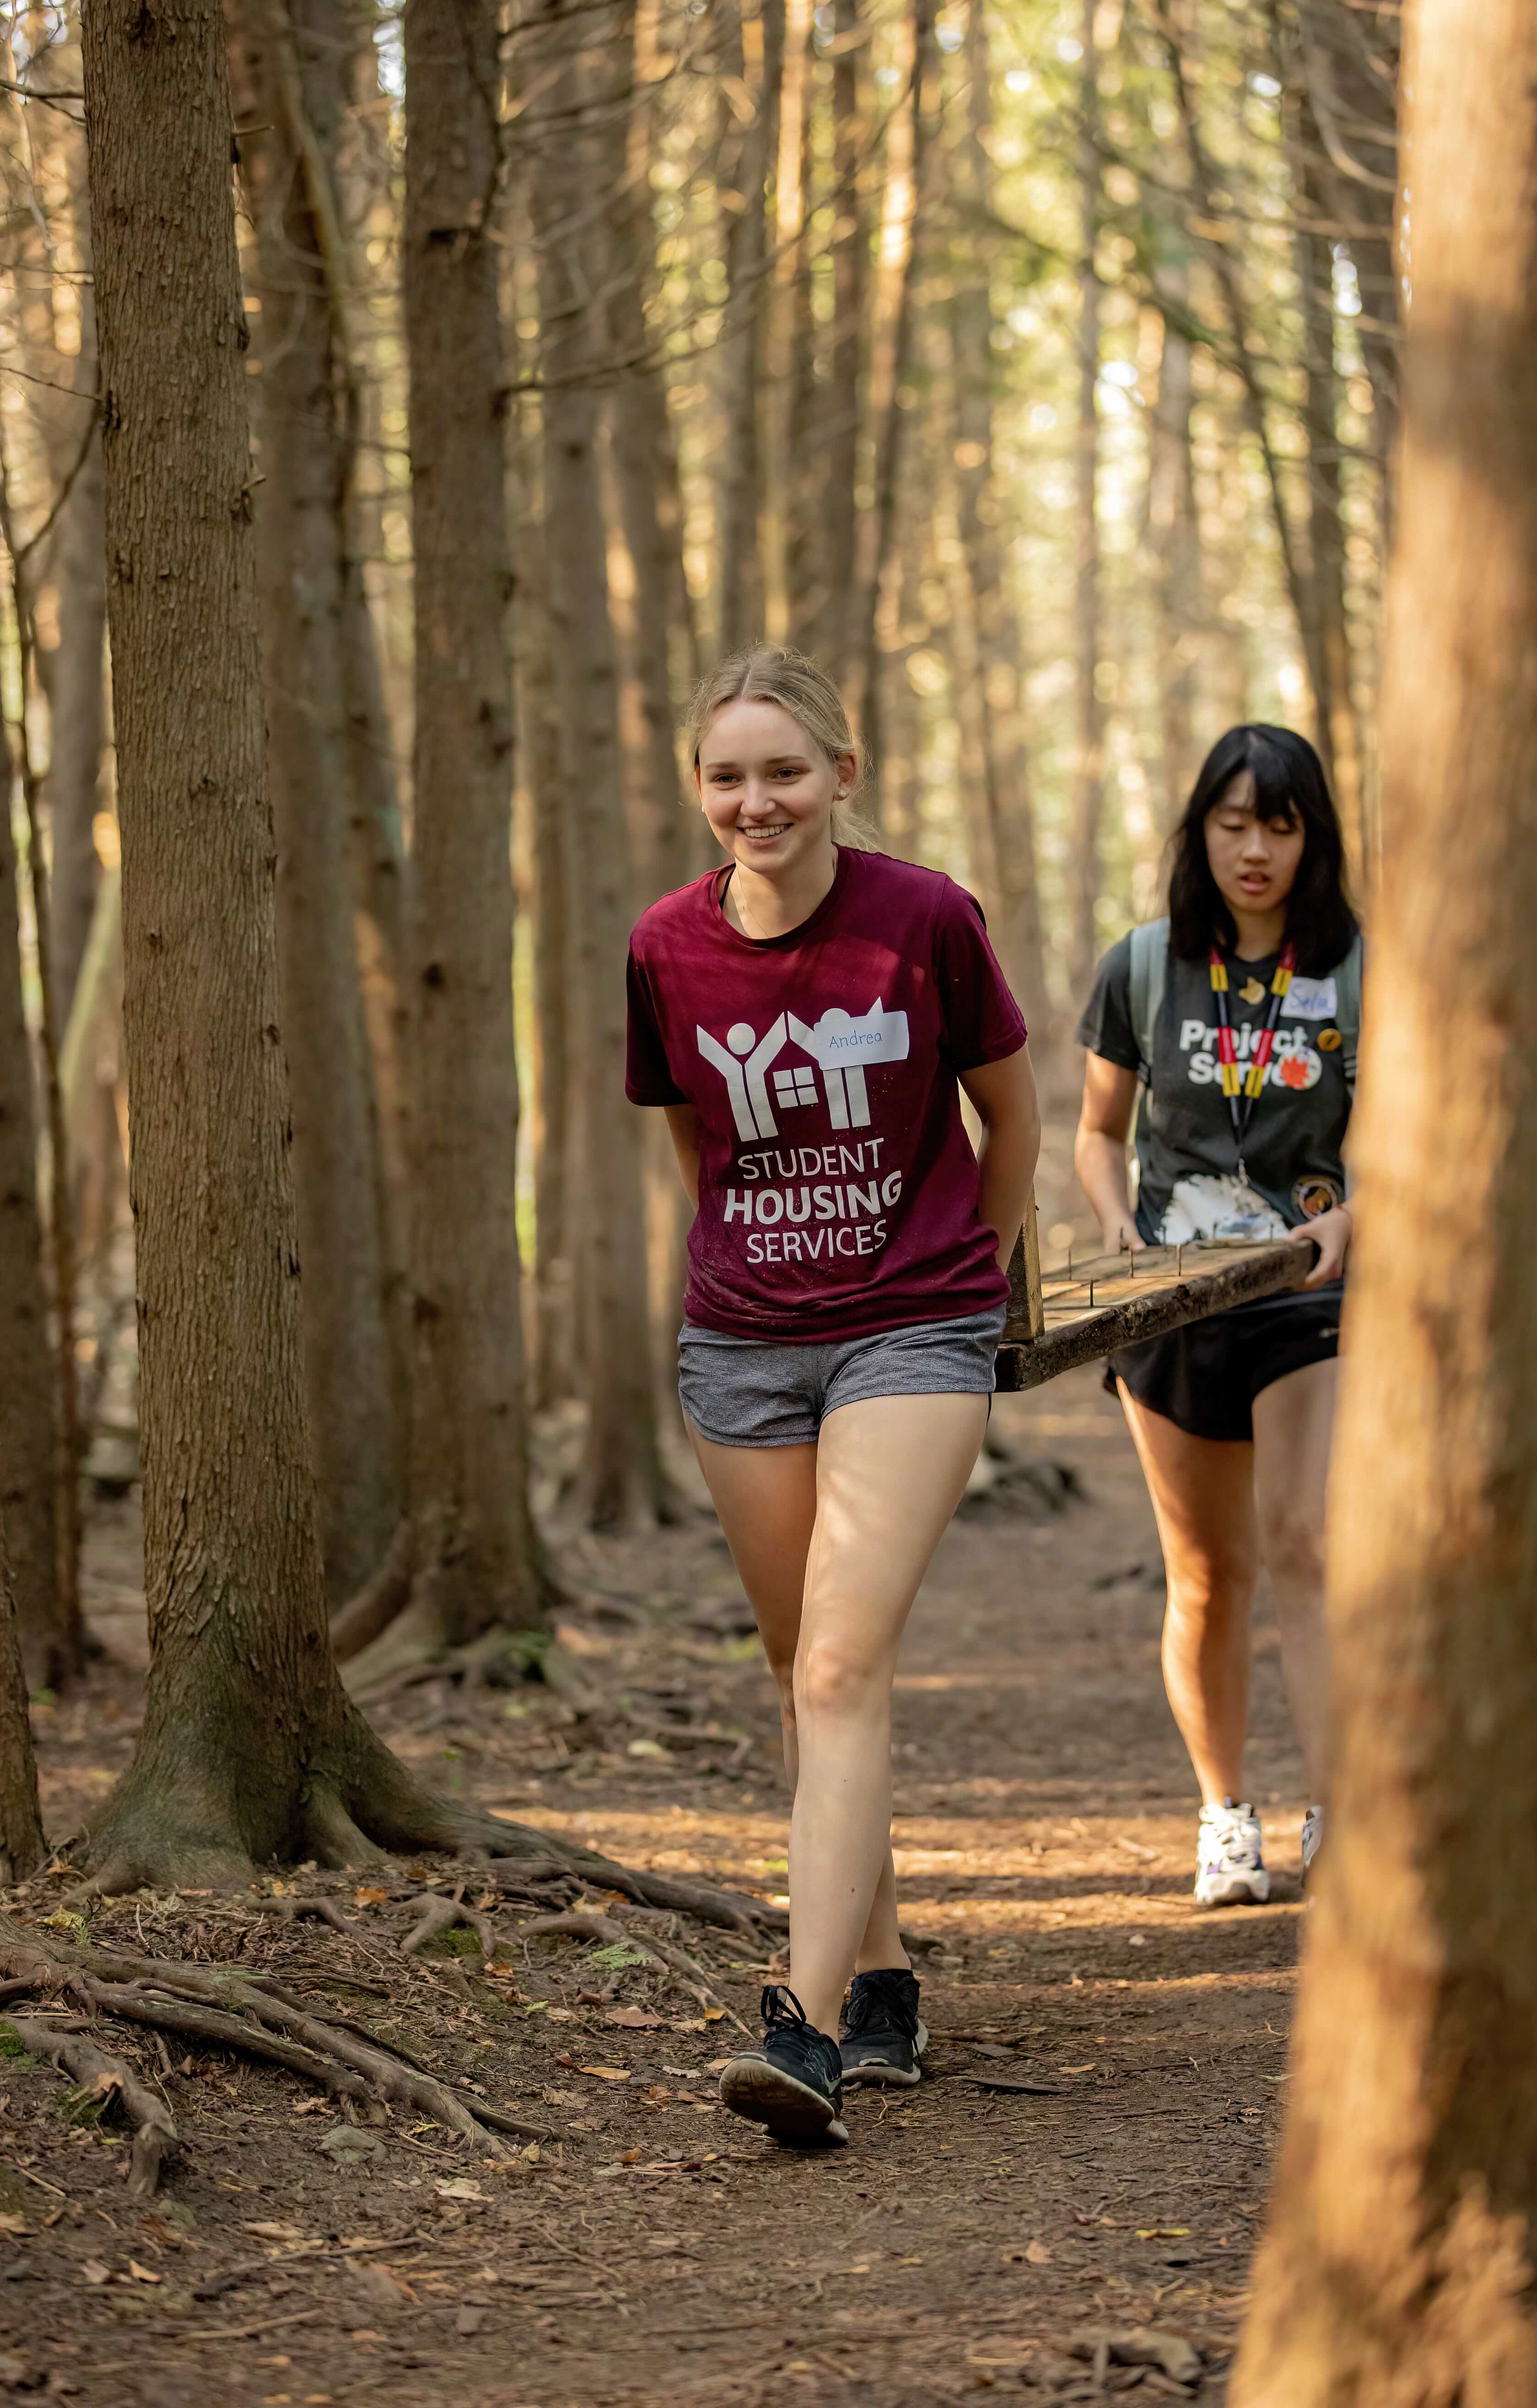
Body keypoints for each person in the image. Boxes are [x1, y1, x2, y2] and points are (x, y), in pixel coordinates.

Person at [626, 644, 1042, 2149]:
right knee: (805, 1663)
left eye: (786, 771)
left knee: (841, 1665)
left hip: (914, 1329)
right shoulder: (665, 945)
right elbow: (696, 1146)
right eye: (728, 776)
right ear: (700, 789)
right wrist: (761, 1268)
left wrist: (967, 1275)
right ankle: (881, 1976)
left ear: (842, 777)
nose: (758, 801)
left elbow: (1013, 1108)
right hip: (741, 1343)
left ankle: (797, 2034)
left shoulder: (924, 916)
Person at [1074, 724, 1359, 1908]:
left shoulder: (1354, 968)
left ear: (1311, 839)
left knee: (1307, 1543)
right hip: (1171, 1300)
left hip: (1308, 1289)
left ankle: (1344, 1815)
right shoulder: (1145, 965)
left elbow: (1391, 1131)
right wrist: (1116, 1224)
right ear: (1201, 831)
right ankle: (1224, 1815)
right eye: (1233, 824)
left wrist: (1358, 1213)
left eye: (1279, 827)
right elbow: (1100, 1130)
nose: (1255, 850)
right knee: (1207, 1574)